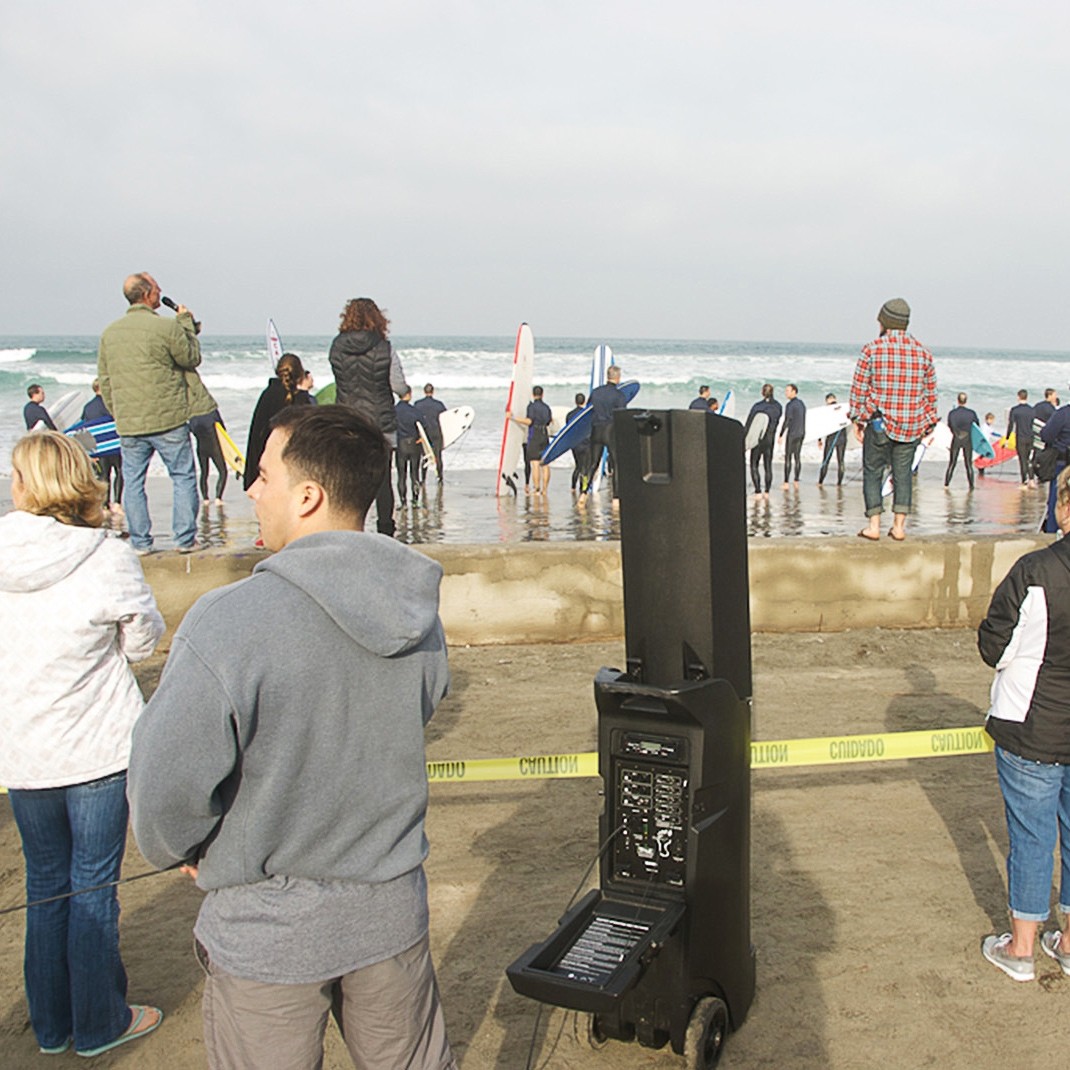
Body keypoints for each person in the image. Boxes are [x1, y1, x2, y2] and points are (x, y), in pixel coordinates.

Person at [128, 406, 456, 1070]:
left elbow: (163, 787)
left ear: (307, 496)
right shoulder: (417, 613)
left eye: (262, 474)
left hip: (270, 931)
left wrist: (183, 848)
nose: (251, 489)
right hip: (390, 909)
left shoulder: (229, 619)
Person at [0, 431, 165, 1057]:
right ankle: (98, 1023)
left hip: (25, 748)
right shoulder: (106, 555)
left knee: (46, 885)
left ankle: (51, 1026)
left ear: (25, 485)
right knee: (91, 885)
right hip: (96, 745)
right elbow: (142, 641)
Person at [978, 466, 1070, 982]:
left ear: (1063, 508)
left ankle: (1022, 947)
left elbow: (996, 645)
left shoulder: (1035, 570)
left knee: (1032, 837)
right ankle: (1068, 943)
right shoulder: (1035, 570)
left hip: (1032, 726)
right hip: (1041, 723)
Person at [96, 272, 201, 554]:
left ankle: (141, 543)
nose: (160, 291)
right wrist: (186, 323)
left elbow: (105, 380)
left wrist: (118, 411)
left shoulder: (110, 333)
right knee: (182, 476)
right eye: (156, 288)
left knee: (132, 482)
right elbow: (191, 358)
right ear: (146, 294)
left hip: (130, 422)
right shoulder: (166, 327)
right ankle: (184, 540)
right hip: (168, 418)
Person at [849, 298, 938, 542]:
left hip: (879, 422)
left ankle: (874, 525)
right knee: (903, 474)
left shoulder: (872, 349)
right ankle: (898, 527)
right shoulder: (923, 353)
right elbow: (930, 395)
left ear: (885, 322)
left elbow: (859, 389)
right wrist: (928, 423)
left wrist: (858, 419)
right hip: (911, 424)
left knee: (873, 471)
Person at [328, 297, 409, 537]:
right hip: (381, 423)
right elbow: (398, 386)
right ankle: (385, 532)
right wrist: (406, 391)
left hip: (348, 423)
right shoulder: (385, 348)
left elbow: (341, 380)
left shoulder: (336, 347)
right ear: (378, 319)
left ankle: (350, 532)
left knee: (350, 482)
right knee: (383, 483)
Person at [244, 353, 313, 492]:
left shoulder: (268, 394)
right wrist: (305, 392)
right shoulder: (298, 400)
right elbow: (308, 431)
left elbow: (255, 433)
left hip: (264, 463)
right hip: (287, 465)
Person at [579, 366, 628, 508]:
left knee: (593, 464)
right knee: (616, 465)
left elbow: (588, 411)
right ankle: (616, 499)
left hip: (596, 430)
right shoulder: (619, 395)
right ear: (618, 378)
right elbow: (622, 415)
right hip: (610, 430)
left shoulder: (596, 392)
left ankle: (583, 494)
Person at [186, 371, 229, 506]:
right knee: (223, 472)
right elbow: (223, 429)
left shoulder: (192, 417)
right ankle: (218, 498)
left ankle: (205, 499)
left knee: (204, 473)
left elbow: (190, 430)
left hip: (201, 448)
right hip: (214, 447)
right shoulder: (212, 411)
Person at [81, 379, 123, 510]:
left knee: (103, 476)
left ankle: (105, 504)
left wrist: (89, 451)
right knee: (120, 473)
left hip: (98, 447)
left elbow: (84, 430)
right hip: (114, 445)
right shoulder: (112, 404)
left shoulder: (88, 407)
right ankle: (117, 502)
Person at [510, 385, 553, 495]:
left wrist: (513, 418)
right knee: (545, 464)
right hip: (544, 434)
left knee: (535, 463)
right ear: (542, 394)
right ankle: (545, 490)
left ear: (533, 395)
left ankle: (537, 489)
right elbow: (549, 421)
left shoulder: (531, 407)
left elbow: (529, 421)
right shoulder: (547, 407)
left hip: (535, 435)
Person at [744, 384, 782, 498]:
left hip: (758, 439)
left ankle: (758, 492)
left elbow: (749, 425)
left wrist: (744, 439)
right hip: (770, 439)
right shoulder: (778, 406)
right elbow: (777, 421)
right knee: (768, 465)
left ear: (762, 392)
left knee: (754, 464)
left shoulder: (757, 407)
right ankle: (767, 492)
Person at [1039, 397, 1070, 534]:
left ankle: (1053, 533)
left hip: (1063, 463)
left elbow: (1046, 435)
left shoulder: (1063, 414)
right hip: (1063, 460)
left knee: (1057, 499)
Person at [395, 387, 426, 505]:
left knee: (401, 475)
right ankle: (415, 500)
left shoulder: (394, 410)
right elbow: (424, 425)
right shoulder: (415, 410)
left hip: (400, 444)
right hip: (414, 444)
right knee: (414, 474)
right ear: (408, 394)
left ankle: (403, 502)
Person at [944, 392, 979, 490]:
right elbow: (977, 427)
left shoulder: (952, 413)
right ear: (966, 401)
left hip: (956, 438)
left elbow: (950, 425)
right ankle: (971, 486)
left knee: (952, 463)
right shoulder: (971, 413)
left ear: (957, 400)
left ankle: (946, 485)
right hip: (967, 439)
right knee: (968, 464)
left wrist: (956, 433)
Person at [414, 383, 447, 482]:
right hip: (436, 431)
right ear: (433, 391)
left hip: (424, 432)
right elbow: (446, 418)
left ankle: (423, 479)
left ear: (424, 391)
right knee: (438, 456)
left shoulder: (417, 404)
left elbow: (415, 419)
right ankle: (440, 478)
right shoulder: (439, 404)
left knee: (425, 456)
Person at [1007, 390, 1036, 488]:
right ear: (1026, 397)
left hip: (1020, 437)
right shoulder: (1032, 410)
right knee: (1028, 459)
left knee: (1022, 459)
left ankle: (1024, 480)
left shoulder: (1015, 410)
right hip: (1030, 437)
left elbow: (1011, 425)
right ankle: (1031, 478)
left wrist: (1007, 437)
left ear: (1018, 397)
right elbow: (1034, 424)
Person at [779, 383, 806, 489]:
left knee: (788, 458)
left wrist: (781, 434)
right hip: (801, 433)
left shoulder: (790, 405)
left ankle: (786, 483)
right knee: (797, 457)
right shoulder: (802, 404)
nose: (786, 393)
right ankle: (796, 481)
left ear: (794, 392)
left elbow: (787, 420)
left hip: (792, 434)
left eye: (788, 391)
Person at [818, 392, 847, 486]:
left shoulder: (827, 411)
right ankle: (839, 483)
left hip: (831, 438)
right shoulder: (843, 409)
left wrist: (819, 439)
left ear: (827, 401)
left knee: (826, 460)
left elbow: (821, 425)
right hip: (842, 437)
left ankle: (820, 482)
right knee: (841, 461)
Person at [566, 392, 590, 493]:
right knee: (585, 467)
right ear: (584, 401)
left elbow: (568, 430)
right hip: (586, 443)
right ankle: (583, 487)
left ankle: (573, 487)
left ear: (575, 401)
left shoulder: (570, 415)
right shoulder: (587, 414)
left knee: (578, 465)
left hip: (575, 444)